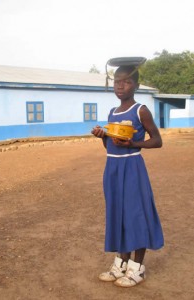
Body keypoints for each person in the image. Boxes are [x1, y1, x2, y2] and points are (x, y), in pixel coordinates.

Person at [91, 60, 164, 288]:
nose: (120, 86)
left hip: (132, 168)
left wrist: (133, 142)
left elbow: (157, 140)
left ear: (136, 85)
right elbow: (111, 147)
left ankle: (137, 268)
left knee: (135, 215)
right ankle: (121, 263)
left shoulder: (140, 110)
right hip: (112, 169)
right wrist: (103, 136)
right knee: (118, 215)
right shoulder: (112, 112)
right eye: (116, 81)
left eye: (126, 82)